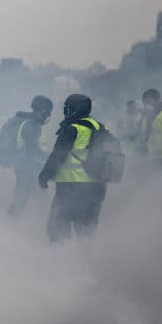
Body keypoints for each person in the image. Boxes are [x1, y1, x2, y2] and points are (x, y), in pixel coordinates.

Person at [38, 94, 107, 243]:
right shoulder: (99, 127)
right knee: (86, 231)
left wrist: (44, 176)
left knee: (57, 227)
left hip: (71, 187)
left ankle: (60, 261)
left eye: (68, 109)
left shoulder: (71, 129)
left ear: (77, 110)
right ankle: (87, 261)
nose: (65, 113)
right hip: (97, 188)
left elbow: (58, 156)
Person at [7, 96, 53, 217]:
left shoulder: (25, 121)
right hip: (29, 168)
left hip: (22, 167)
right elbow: (33, 151)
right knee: (43, 201)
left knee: (20, 198)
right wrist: (50, 159)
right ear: (44, 111)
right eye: (48, 112)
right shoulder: (32, 125)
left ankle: (7, 224)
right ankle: (46, 228)